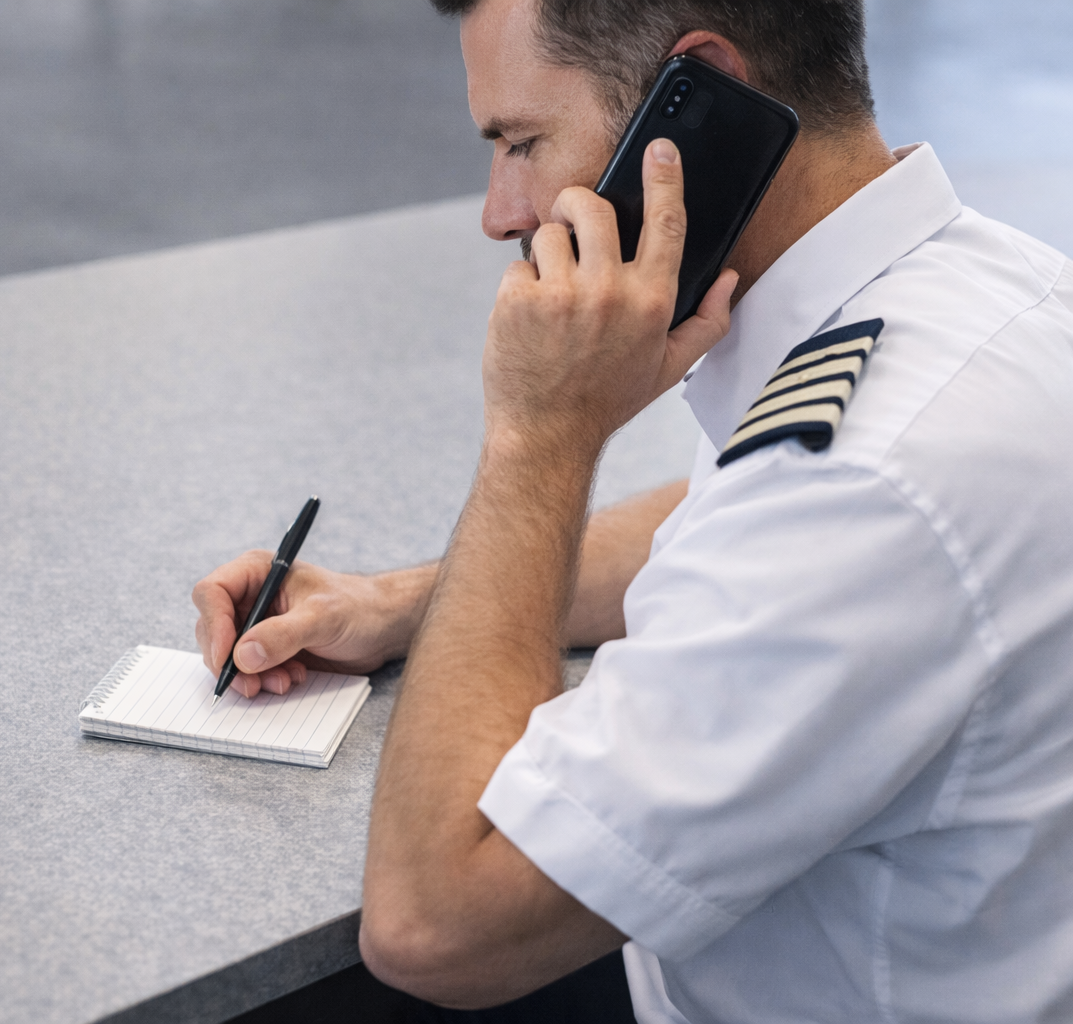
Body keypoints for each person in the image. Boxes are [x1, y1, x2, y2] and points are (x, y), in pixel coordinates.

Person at [191, 0, 1073, 1020]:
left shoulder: (872, 497)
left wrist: (539, 436)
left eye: (523, 142)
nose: (500, 211)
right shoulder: (987, 288)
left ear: (692, 106)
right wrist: (405, 604)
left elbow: (435, 926)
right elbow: (732, 516)